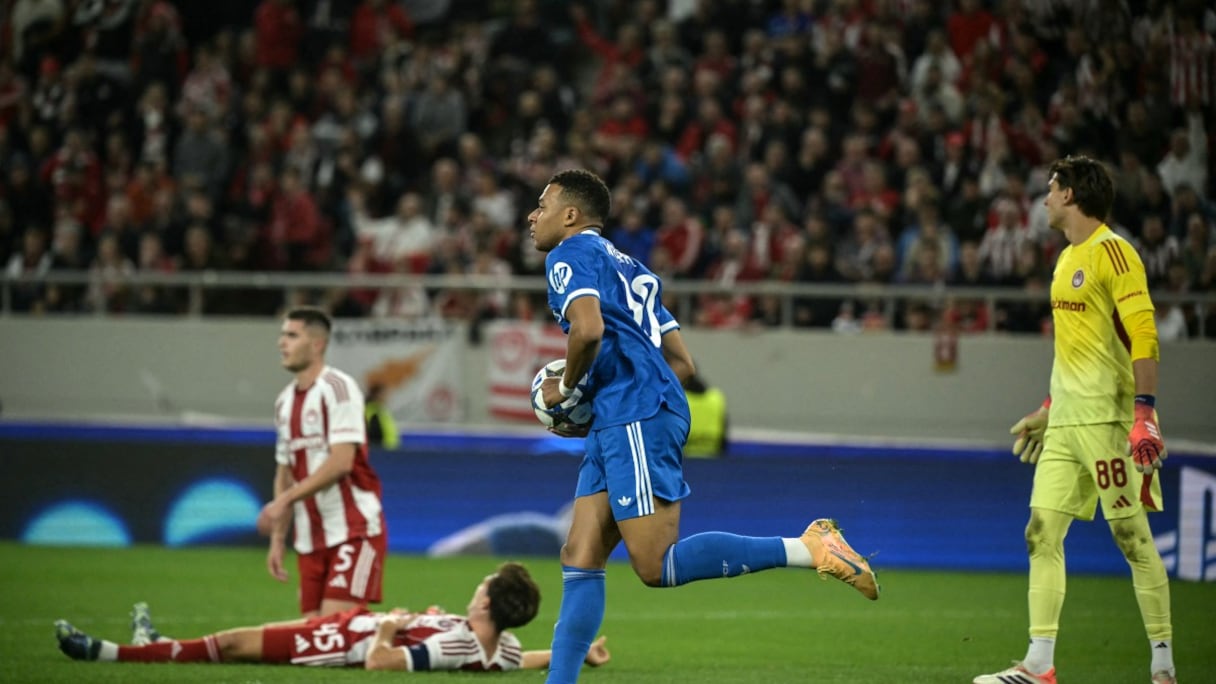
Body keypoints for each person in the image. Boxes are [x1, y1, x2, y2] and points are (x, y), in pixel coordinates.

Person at [526, 169, 879, 684]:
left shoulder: (569, 255)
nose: (533, 215)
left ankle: (811, 547)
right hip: (627, 414)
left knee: (655, 565)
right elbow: (683, 364)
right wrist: (613, 406)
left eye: (542, 205)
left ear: (571, 215)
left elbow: (588, 331)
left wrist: (570, 391)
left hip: (632, 414)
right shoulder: (632, 268)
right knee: (580, 555)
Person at [974, 155, 1176, 684]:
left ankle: (1163, 666)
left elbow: (1144, 336)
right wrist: (1049, 409)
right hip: (1065, 424)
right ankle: (1039, 664)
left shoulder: (1116, 253)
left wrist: (1145, 413)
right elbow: (1074, 347)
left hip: (1109, 422)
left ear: (1070, 195)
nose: (1043, 199)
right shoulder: (1065, 260)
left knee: (1131, 537)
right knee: (1040, 532)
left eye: (1051, 188)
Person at [55, 562, 611, 673]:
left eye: (481, 587)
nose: (475, 592)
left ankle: (109, 653)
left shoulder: (457, 649)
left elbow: (381, 663)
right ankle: (152, 644)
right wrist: (580, 653)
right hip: (348, 625)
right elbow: (527, 658)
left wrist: (390, 628)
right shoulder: (497, 648)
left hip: (343, 642)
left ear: (486, 603)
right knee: (234, 640)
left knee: (234, 644)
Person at [256, 307, 388, 617]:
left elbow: (342, 462)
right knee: (313, 637)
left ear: (317, 344)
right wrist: (278, 537)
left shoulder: (338, 389)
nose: (281, 343)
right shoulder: (284, 402)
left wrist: (284, 500)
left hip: (354, 530)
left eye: (292, 335)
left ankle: (412, 631)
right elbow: (285, 472)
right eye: (282, 335)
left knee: (331, 633)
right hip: (310, 539)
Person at [682, 371, 727, 457]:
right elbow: (724, 437)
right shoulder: (716, 399)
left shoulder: (679, 399)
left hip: (684, 458)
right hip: (713, 457)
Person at [364, 382, 401, 450]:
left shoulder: (381, 410)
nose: (387, 397)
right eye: (384, 394)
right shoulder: (372, 411)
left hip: (389, 450)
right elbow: (374, 434)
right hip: (380, 451)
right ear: (377, 395)